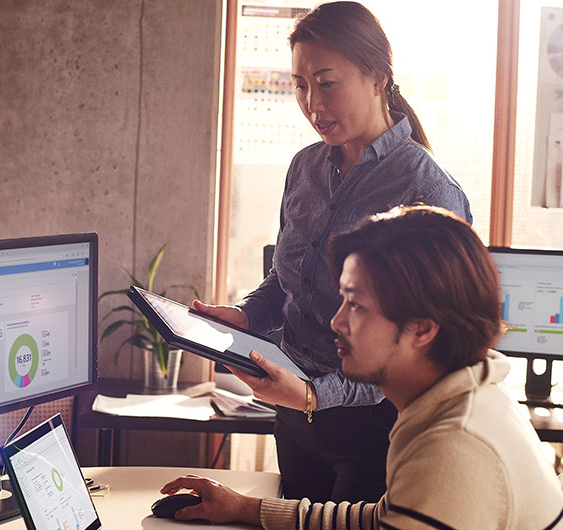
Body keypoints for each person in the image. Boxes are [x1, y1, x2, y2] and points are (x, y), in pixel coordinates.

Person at [161, 206, 563, 530]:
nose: (336, 323)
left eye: (356, 305)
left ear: (423, 328)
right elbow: (379, 523)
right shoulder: (466, 395)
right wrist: (242, 508)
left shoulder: (454, 445)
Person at [194, 1, 471, 502]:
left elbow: (424, 351)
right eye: (301, 85)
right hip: (296, 416)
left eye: (327, 82)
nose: (312, 103)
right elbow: (288, 277)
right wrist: (245, 315)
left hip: (374, 427)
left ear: (377, 77)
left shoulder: (427, 190)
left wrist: (316, 395)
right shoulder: (305, 168)